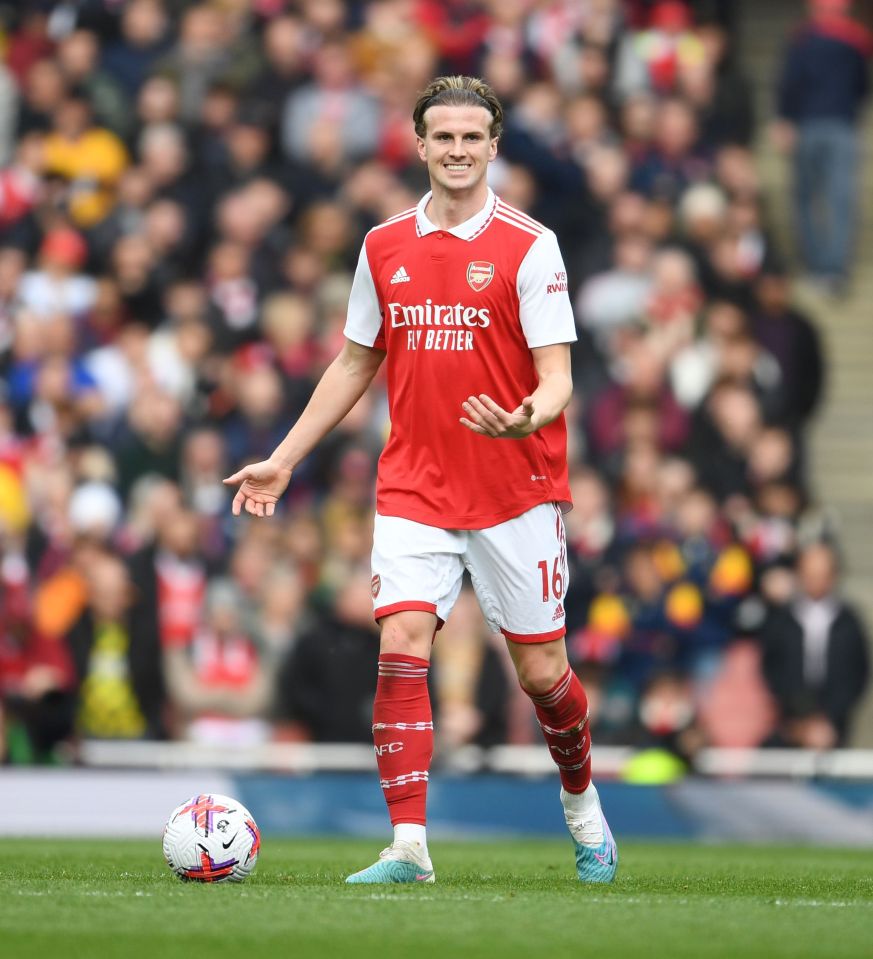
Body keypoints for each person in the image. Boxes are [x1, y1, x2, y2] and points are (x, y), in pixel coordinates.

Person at [224, 75, 617, 885]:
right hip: (415, 484)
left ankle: (583, 807)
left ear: (494, 145)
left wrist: (527, 415)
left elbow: (557, 375)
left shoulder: (529, 244)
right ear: (420, 143)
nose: (458, 150)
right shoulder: (382, 246)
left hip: (516, 485)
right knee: (401, 641)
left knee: (542, 674)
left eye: (473, 137)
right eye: (444, 137)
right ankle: (408, 844)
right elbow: (354, 360)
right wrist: (285, 456)